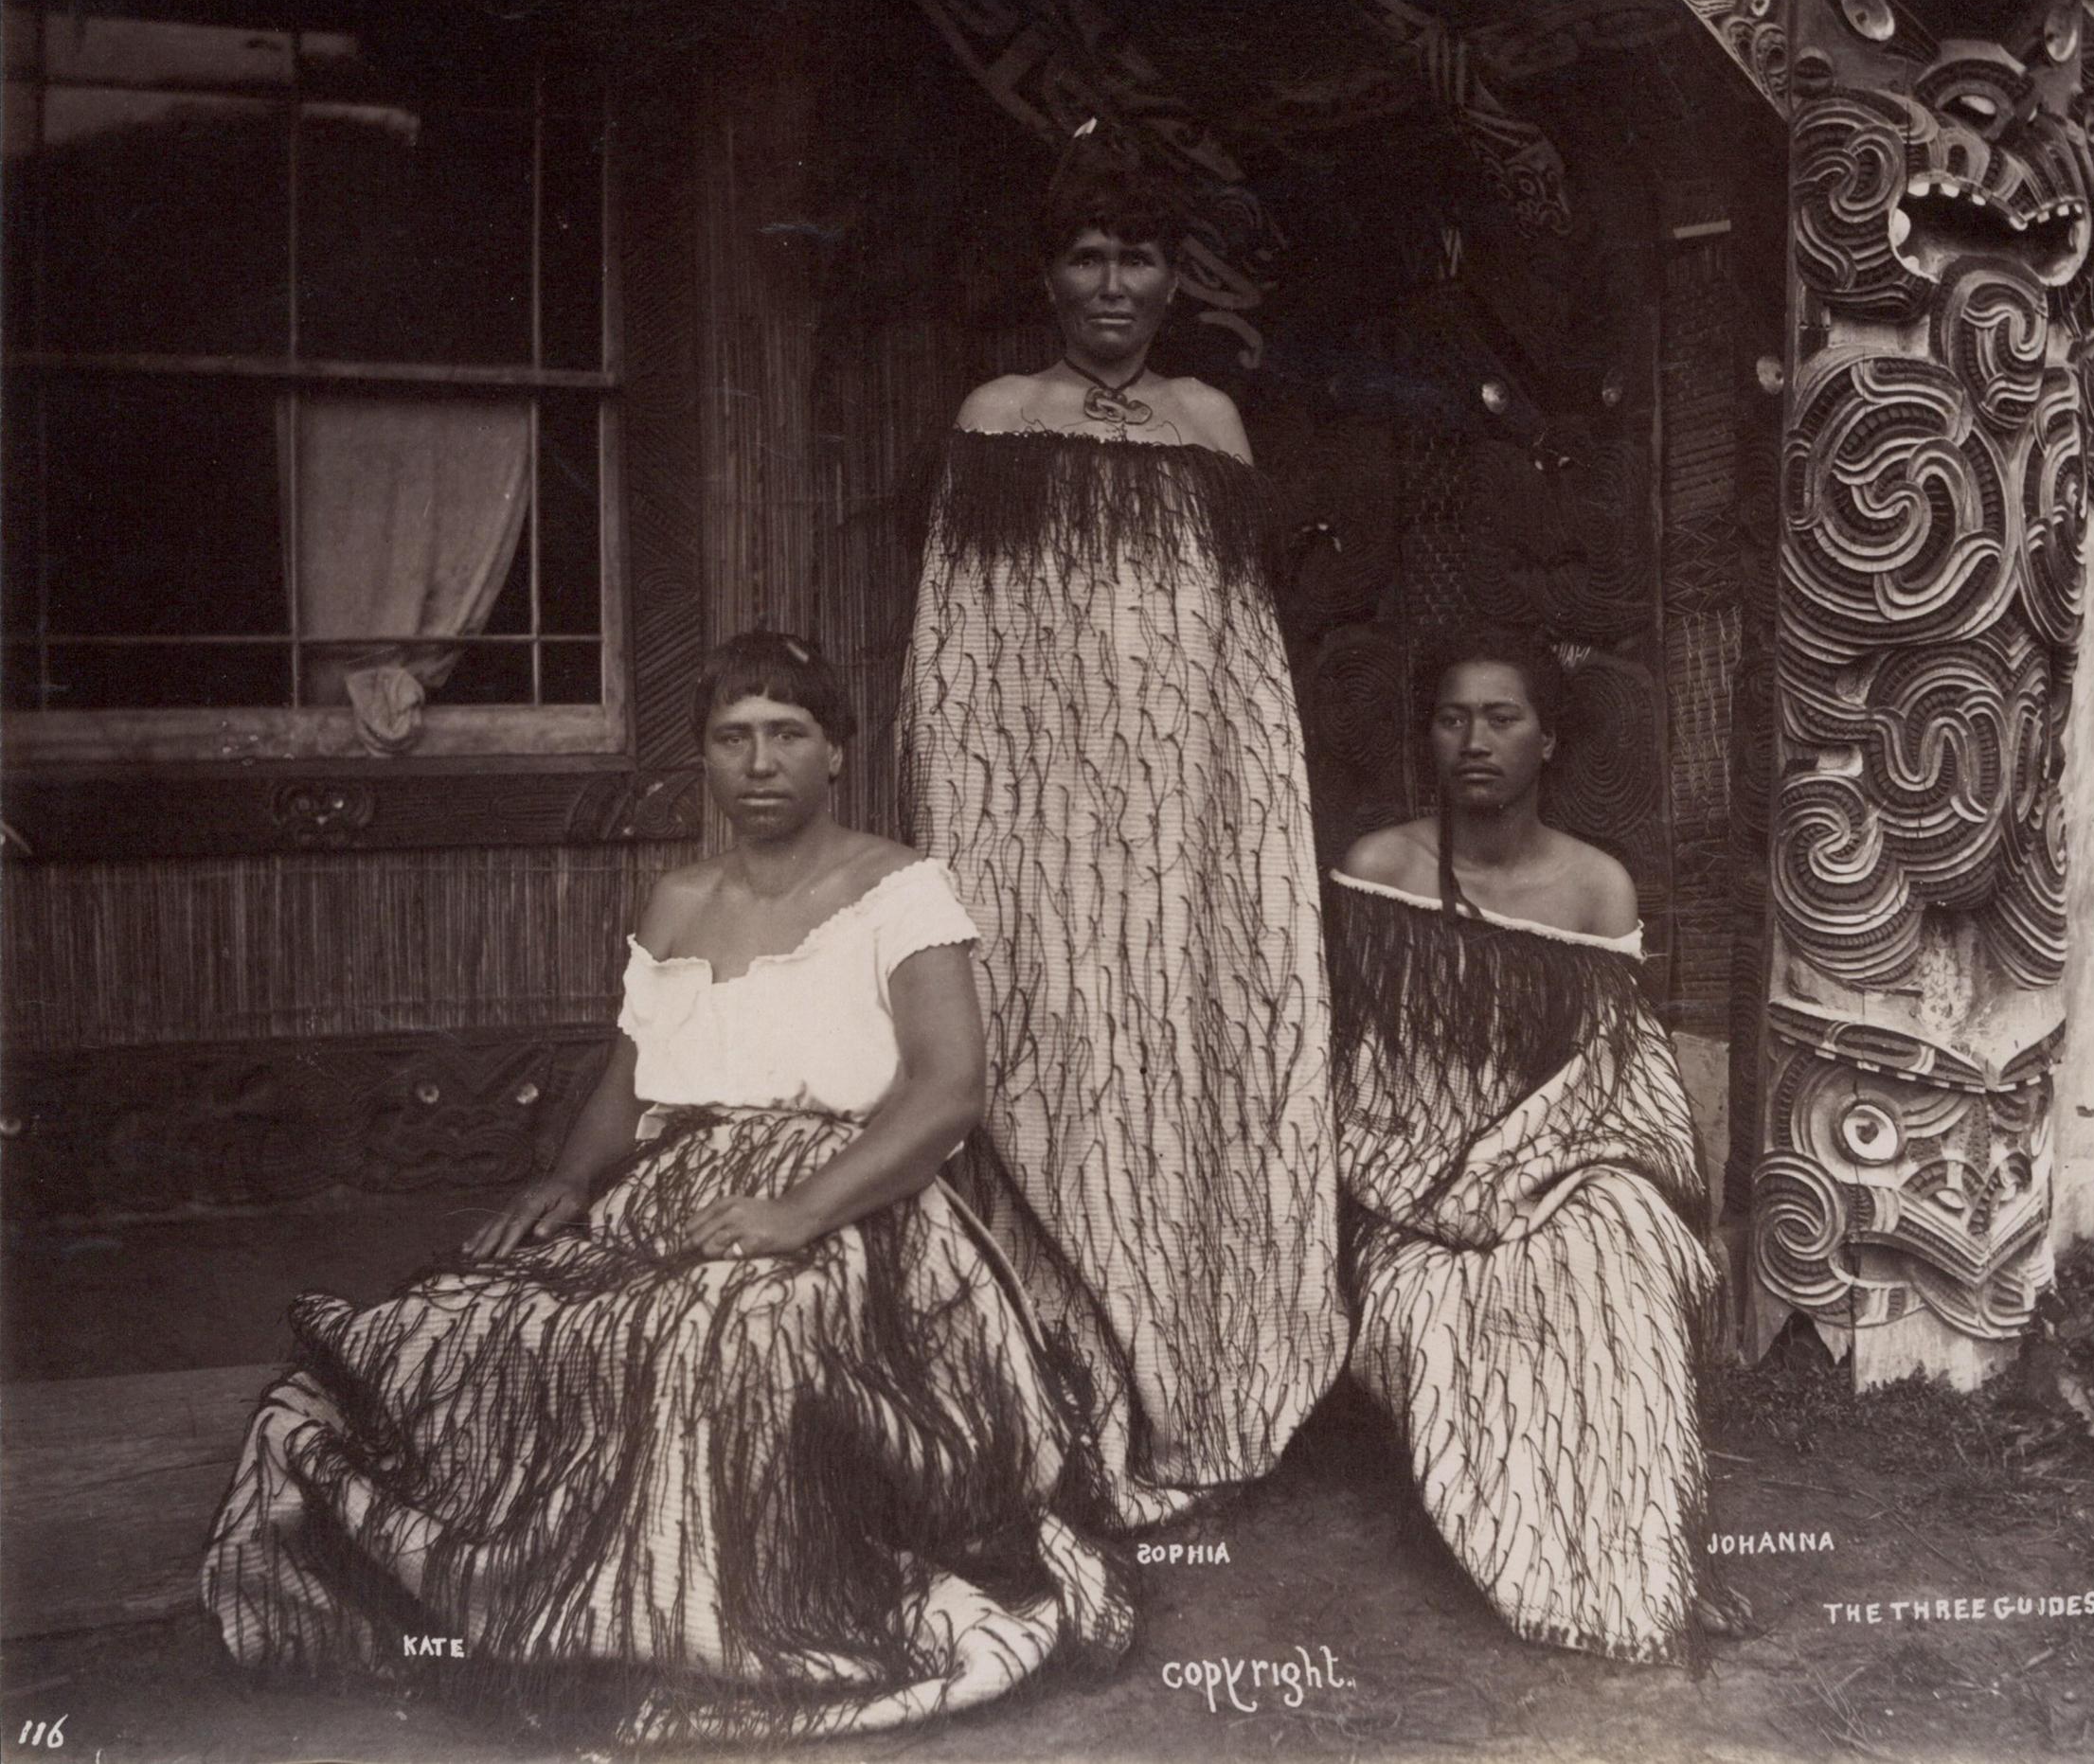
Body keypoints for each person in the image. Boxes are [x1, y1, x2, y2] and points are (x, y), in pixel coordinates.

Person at [202, 632, 1130, 1746]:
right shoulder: (677, 899)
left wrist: (797, 1212)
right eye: (733, 739)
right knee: (462, 1328)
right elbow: (633, 1076)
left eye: (788, 735)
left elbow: (946, 1095)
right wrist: (567, 1177)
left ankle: (707, 1630)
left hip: (853, 1201)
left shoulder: (898, 888)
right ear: (703, 760)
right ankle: (534, 1614)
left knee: (720, 1347)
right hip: (669, 1190)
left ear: (838, 752)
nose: (760, 762)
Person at [899, 139, 1342, 1527]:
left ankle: (1191, 1385)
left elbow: (1243, 655)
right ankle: (1057, 1391)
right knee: (1045, 1060)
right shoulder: (1000, 412)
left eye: (1137, 257)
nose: (1112, 285)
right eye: (1086, 257)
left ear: (1174, 275)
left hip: (1183, 822)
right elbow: (955, 654)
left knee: (1182, 1064)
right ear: (1049, 273)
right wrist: (973, 835)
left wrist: (1240, 825)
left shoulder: (1212, 423)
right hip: (1037, 823)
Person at [1331, 631, 1716, 1663]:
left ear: (1547, 740)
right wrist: (1451, 1191)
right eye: (1452, 717)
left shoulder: (1598, 890)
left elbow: (1613, 1079)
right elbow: (1361, 1077)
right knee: (1463, 1305)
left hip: (1558, 1165)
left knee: (1618, 1247)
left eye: (1502, 718)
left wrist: (1528, 1179)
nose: (1474, 741)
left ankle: (1636, 1562)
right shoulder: (1381, 871)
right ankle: (1548, 1569)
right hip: (1411, 1185)